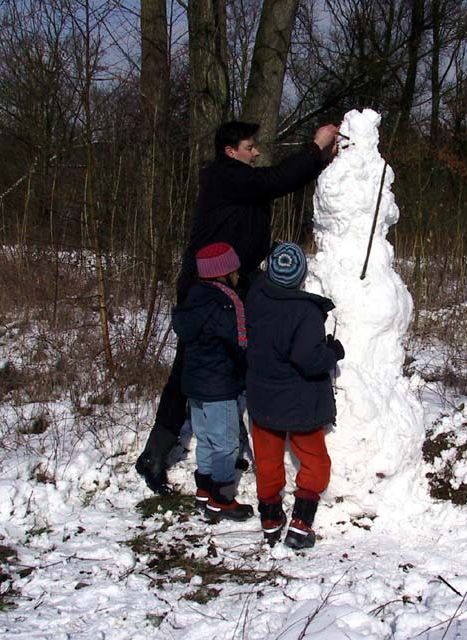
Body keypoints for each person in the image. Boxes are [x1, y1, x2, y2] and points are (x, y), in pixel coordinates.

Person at [136, 121, 339, 494]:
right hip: (208, 286)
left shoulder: (238, 178)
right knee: (192, 364)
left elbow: (270, 187)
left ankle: (236, 439)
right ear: (231, 152)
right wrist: (315, 148)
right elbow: (275, 182)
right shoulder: (224, 176)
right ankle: (155, 453)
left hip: (238, 279)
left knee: (248, 352)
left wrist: (324, 163)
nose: (256, 151)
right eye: (250, 146)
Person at [245, 242, 345, 549]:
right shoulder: (305, 311)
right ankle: (302, 521)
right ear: (301, 277)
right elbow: (309, 359)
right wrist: (332, 351)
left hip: (262, 399)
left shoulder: (255, 298)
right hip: (300, 405)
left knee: (267, 460)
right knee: (315, 460)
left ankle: (271, 518)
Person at [171, 242, 253, 521]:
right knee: (226, 443)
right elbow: (239, 343)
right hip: (220, 385)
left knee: (205, 437)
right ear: (224, 272)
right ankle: (222, 498)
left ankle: (204, 489)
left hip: (195, 384)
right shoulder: (227, 303)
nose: (238, 274)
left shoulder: (193, 297)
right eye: (235, 270)